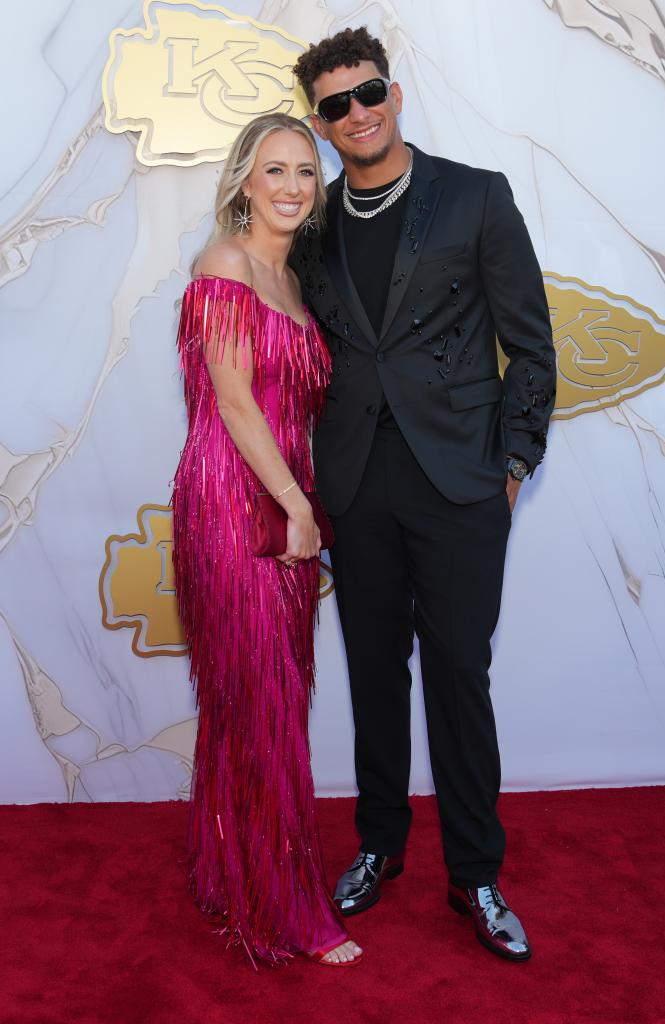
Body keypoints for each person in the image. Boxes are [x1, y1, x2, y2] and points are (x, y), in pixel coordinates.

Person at [291, 28, 557, 962]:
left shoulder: (475, 196)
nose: (355, 113)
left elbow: (530, 342)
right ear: (319, 123)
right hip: (356, 481)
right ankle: (378, 844)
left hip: (459, 480)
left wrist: (513, 465)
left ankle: (476, 874)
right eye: (334, 105)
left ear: (393, 93)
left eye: (367, 93)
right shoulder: (312, 226)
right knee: (372, 672)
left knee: (458, 676)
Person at [171, 113, 362, 967]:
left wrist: (301, 503)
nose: (290, 186)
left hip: (286, 501)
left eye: (304, 174)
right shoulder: (225, 263)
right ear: (245, 180)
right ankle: (285, 910)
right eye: (274, 170)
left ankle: (228, 870)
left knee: (260, 701)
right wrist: (297, 505)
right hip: (234, 499)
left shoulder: (291, 279)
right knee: (262, 706)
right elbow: (237, 401)